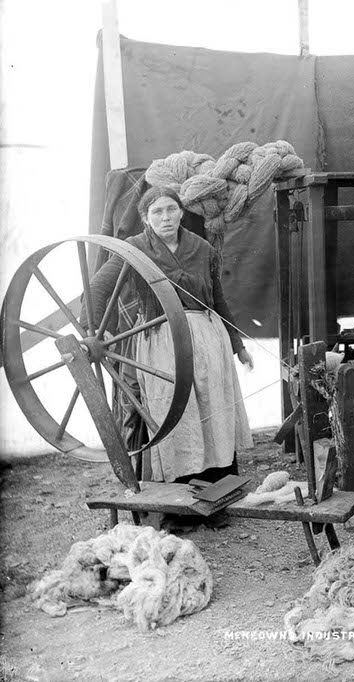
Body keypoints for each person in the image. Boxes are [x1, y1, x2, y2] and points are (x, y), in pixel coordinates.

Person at [89, 186, 254, 487]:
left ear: (180, 212)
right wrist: (98, 329)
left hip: (207, 340)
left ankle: (219, 494)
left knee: (211, 411)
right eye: (157, 212)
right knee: (175, 413)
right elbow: (100, 286)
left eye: (171, 210)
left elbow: (218, 300)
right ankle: (179, 501)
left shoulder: (202, 248)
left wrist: (238, 345)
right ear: (145, 218)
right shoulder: (134, 247)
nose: (166, 218)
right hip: (163, 343)